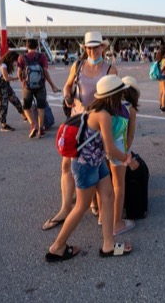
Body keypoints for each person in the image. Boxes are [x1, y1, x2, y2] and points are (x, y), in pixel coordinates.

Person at [45, 75, 133, 262]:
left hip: (96, 162)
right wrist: (127, 159)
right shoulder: (104, 115)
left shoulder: (98, 109)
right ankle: (57, 247)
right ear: (113, 96)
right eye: (120, 93)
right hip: (85, 165)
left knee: (108, 196)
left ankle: (108, 245)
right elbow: (109, 147)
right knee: (81, 206)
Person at [42, 31, 117, 231]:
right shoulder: (78, 66)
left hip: (95, 125)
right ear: (85, 49)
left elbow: (113, 100)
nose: (93, 50)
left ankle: (92, 203)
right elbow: (67, 87)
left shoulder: (110, 69)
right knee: (66, 164)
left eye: (96, 46)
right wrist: (67, 95)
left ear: (103, 47)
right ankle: (66, 208)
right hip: (76, 122)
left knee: (94, 165)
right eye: (89, 47)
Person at [108, 75, 141, 237]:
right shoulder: (130, 109)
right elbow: (130, 136)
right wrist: (126, 154)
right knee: (119, 186)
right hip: (118, 148)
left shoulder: (111, 104)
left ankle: (103, 216)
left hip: (104, 147)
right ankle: (117, 223)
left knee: (105, 183)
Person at [17, 38, 60, 139]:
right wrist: (52, 85)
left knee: (26, 107)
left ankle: (33, 125)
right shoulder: (42, 56)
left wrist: (23, 82)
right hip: (40, 86)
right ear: (37, 46)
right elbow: (45, 72)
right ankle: (41, 129)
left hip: (27, 86)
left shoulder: (22, 57)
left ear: (27, 46)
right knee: (41, 107)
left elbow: (19, 73)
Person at [0, 51, 26, 132]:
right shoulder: (3, 65)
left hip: (6, 86)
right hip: (1, 87)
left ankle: (25, 116)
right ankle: (3, 125)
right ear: (11, 59)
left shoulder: (5, 64)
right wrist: (16, 78)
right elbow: (6, 78)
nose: (15, 63)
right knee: (3, 105)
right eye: (15, 60)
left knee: (16, 100)